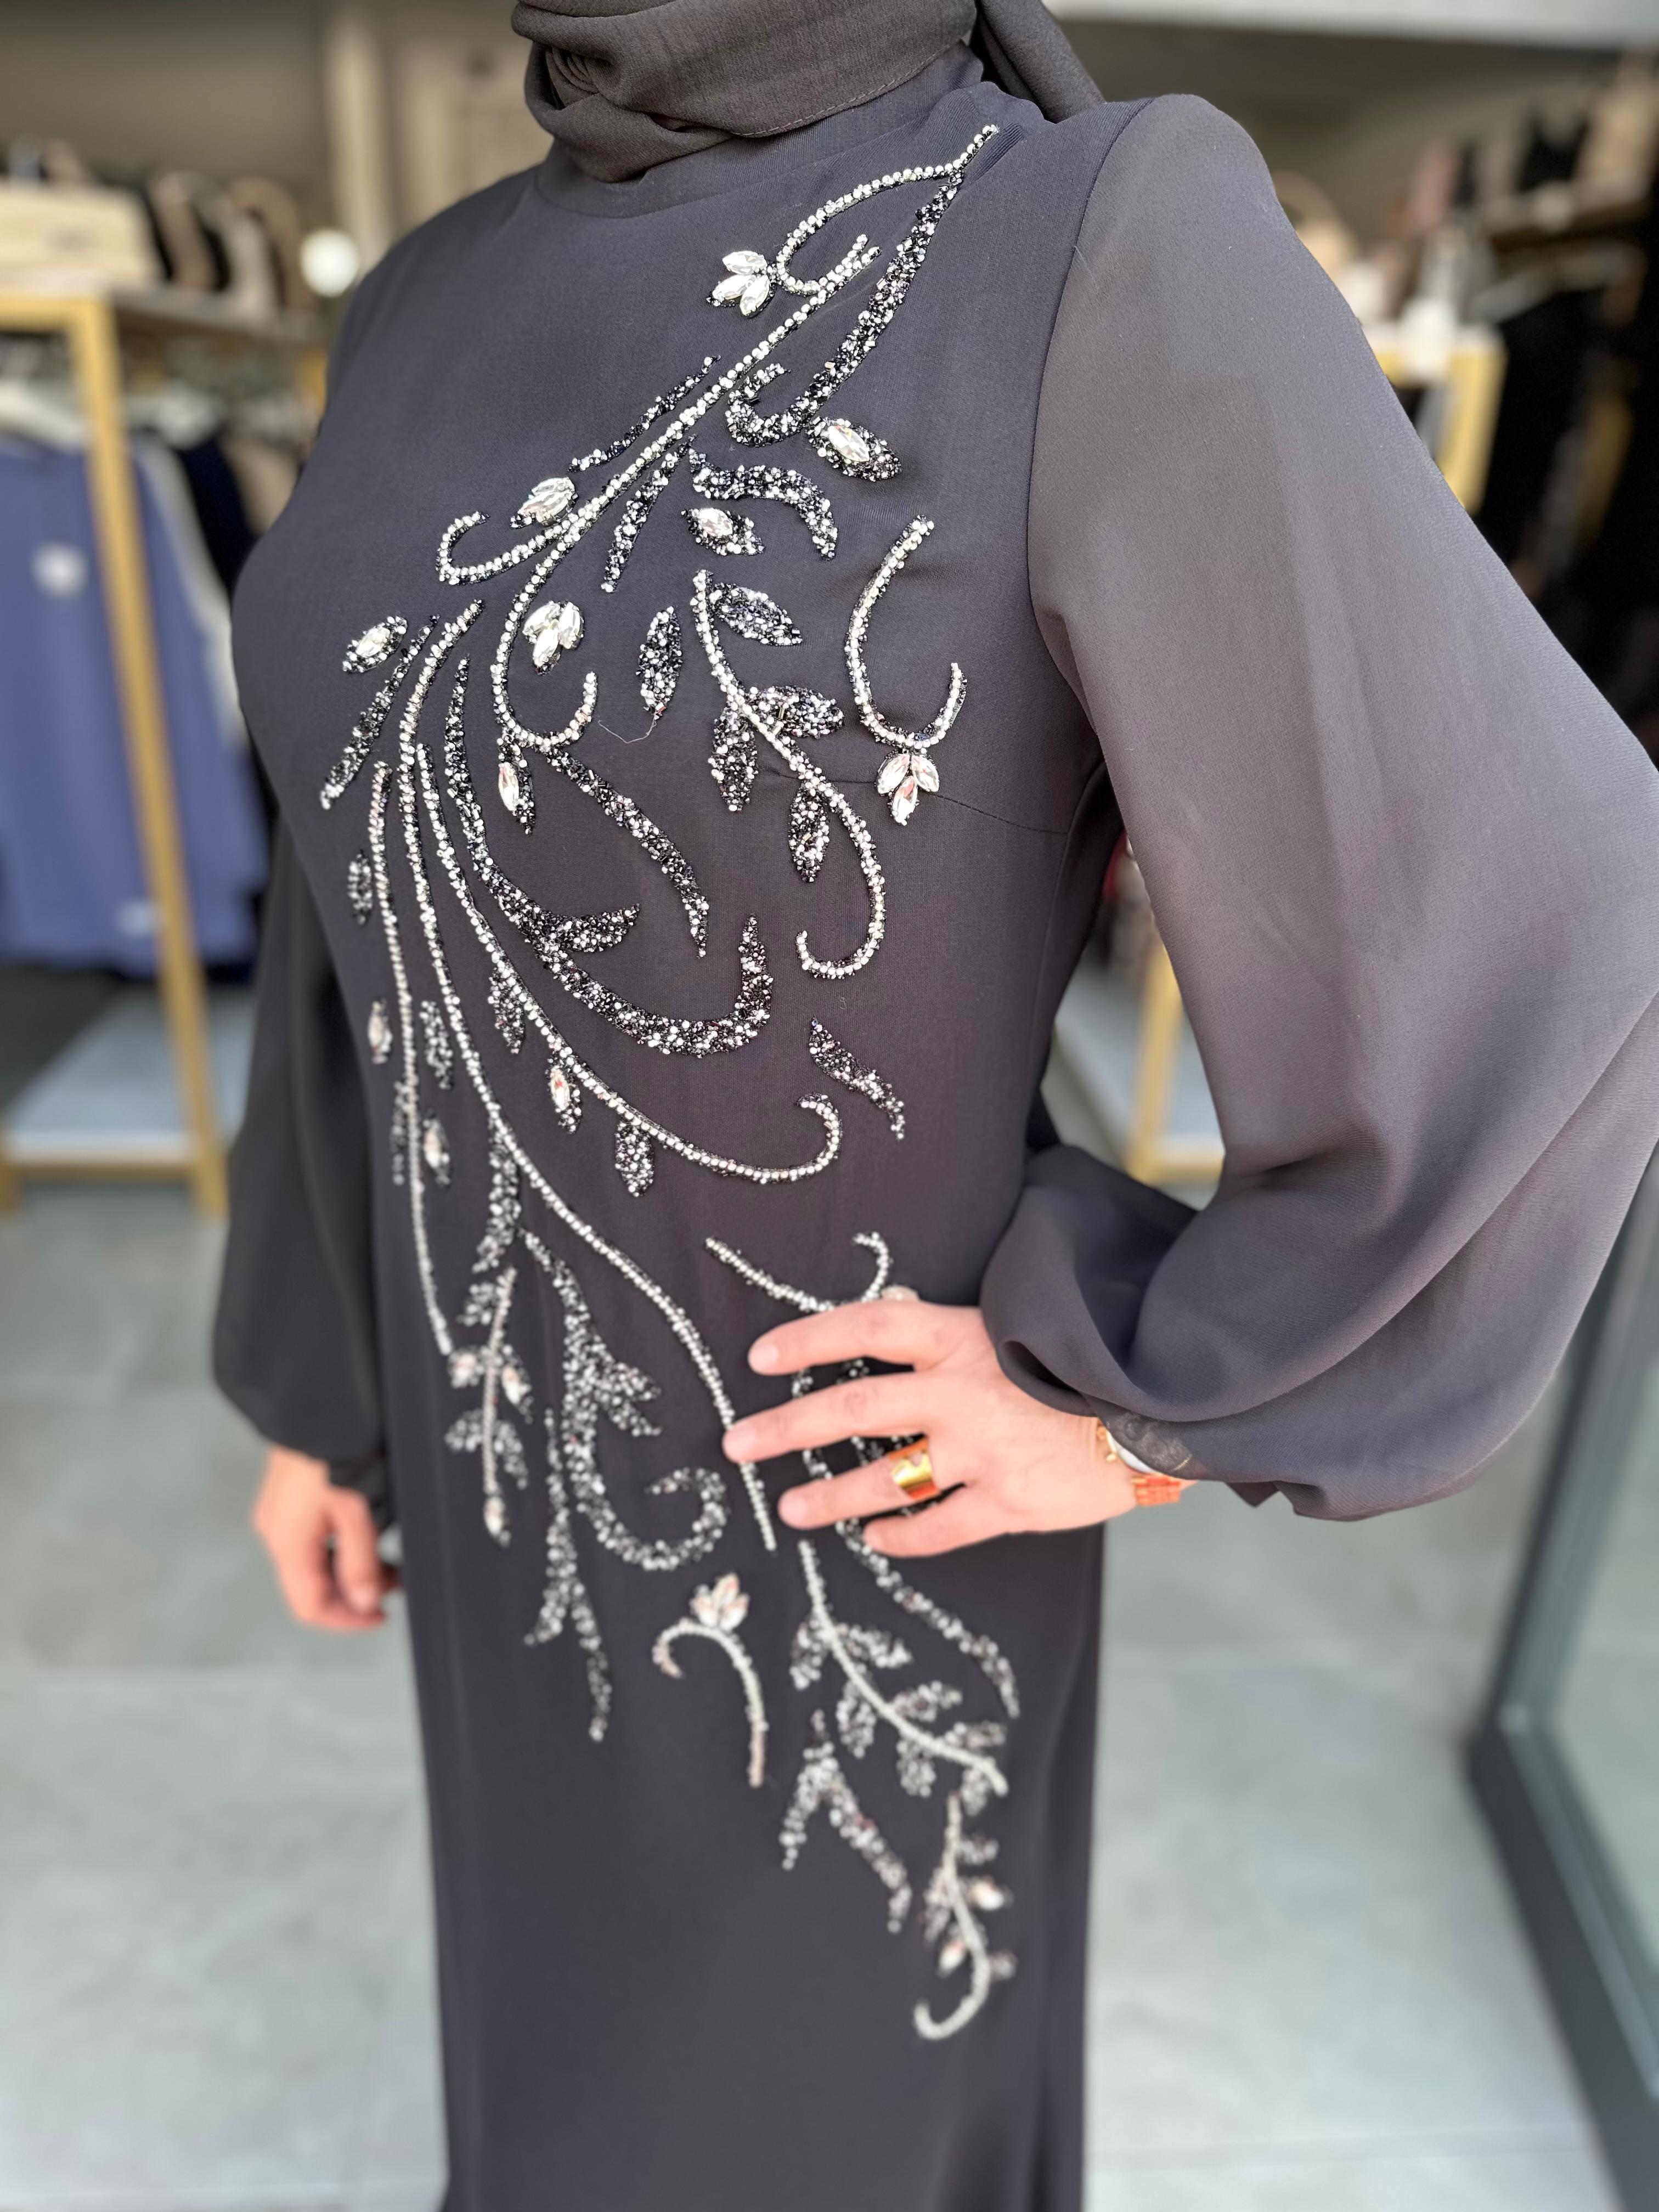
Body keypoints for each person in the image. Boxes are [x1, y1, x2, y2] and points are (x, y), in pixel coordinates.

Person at [214, 3, 1659, 2206]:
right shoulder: (417, 296)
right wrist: (325, 1379)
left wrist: (1157, 1400)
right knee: (555, 2080)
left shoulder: (1083, 241)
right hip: (507, 1500)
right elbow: (362, 894)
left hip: (846, 1530)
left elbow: (1548, 909)